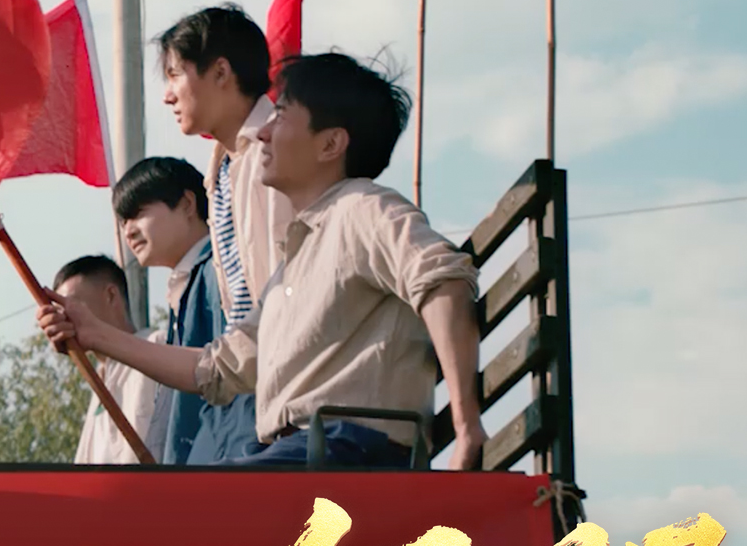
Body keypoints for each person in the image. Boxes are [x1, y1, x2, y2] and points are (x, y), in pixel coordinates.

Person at [40, 53, 491, 471]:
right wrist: (94, 333)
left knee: (175, 511)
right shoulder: (294, 262)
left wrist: (466, 425)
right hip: (297, 464)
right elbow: (215, 369)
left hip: (346, 457)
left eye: (282, 116)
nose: (263, 133)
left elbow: (443, 279)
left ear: (331, 144)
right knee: (166, 508)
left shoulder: (363, 208)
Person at [107, 157, 253, 466]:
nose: (128, 231)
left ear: (187, 203)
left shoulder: (218, 274)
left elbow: (232, 379)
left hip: (229, 462)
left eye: (138, 213)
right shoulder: (188, 285)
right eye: (123, 222)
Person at [156, 5, 290, 331]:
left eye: (175, 76)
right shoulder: (220, 171)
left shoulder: (283, 151)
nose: (167, 96)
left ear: (220, 73)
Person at [51, 256, 156, 464]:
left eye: (73, 305)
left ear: (110, 296)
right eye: (60, 311)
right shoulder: (101, 376)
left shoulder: (156, 347)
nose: (65, 318)